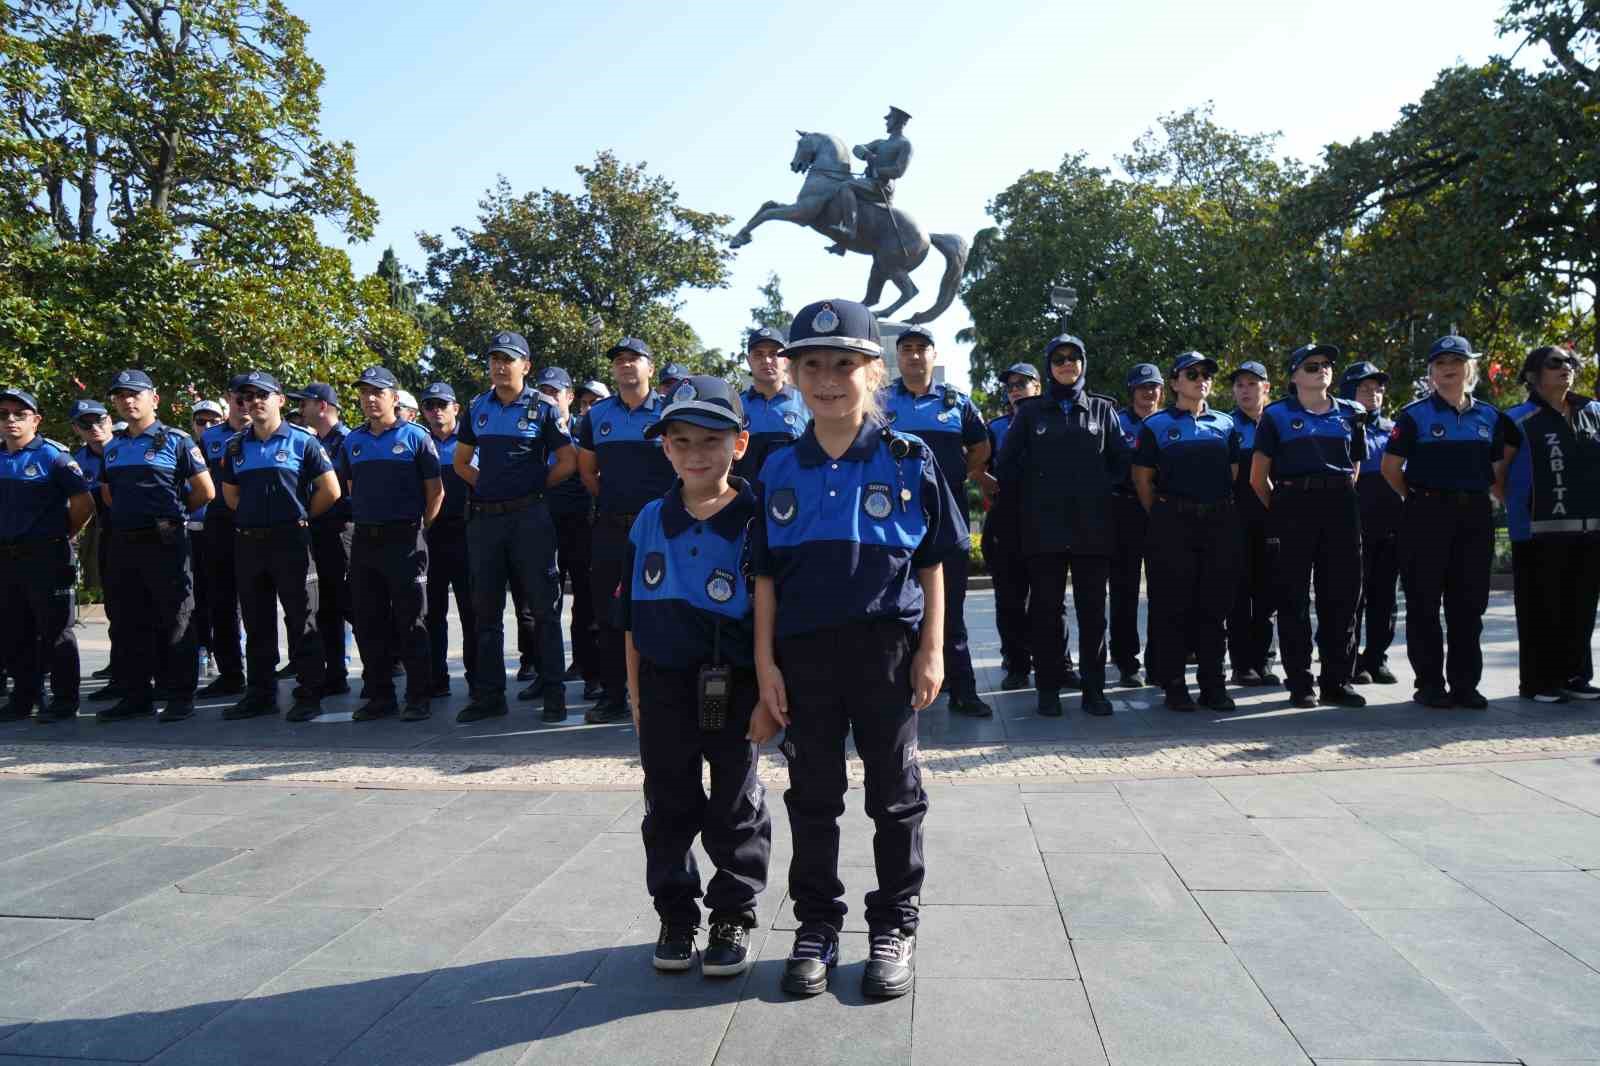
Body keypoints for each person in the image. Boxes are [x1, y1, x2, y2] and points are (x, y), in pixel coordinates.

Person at [749, 298, 963, 999]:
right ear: (792, 373)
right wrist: (764, 666)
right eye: (811, 364)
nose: (827, 378)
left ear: (875, 371)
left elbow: (933, 562)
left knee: (896, 798)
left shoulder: (910, 458)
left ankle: (894, 923)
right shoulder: (778, 468)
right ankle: (816, 924)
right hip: (805, 654)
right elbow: (766, 578)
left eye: (844, 363)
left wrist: (932, 652)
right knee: (813, 796)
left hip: (887, 652)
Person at [619, 375, 772, 977]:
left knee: (736, 802)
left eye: (711, 439)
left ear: (739, 444)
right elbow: (629, 616)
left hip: (734, 683)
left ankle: (732, 912)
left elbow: (771, 612)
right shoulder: (649, 520)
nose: (695, 452)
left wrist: (766, 691)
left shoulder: (759, 516)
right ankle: (676, 912)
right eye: (680, 441)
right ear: (664, 448)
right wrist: (634, 693)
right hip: (663, 685)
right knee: (669, 801)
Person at [994, 334, 1126, 717]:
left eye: (1074, 358)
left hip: (1092, 529)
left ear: (1083, 363)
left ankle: (1094, 691)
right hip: (1044, 530)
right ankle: (1048, 690)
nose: (1067, 365)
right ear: (1049, 366)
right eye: (1059, 359)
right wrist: (1037, 494)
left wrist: (1097, 492)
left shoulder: (1103, 410)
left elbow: (1120, 463)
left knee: (1092, 614)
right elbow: (1006, 466)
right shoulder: (1031, 413)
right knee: (1047, 613)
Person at [1383, 335, 1515, 710]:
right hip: (1425, 513)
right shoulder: (1414, 416)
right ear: (1431, 372)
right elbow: (1391, 468)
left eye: (1456, 361)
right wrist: (1418, 498)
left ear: (1469, 368)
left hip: (1473, 516)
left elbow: (1495, 469)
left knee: (1469, 605)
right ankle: (1429, 685)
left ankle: (1465, 685)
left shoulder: (1489, 416)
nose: (1448, 369)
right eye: (1440, 363)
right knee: (1424, 603)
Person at [452, 332, 575, 724]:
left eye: (509, 359)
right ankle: (489, 696)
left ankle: (554, 693)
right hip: (486, 520)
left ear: (526, 366)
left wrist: (533, 486)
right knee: (485, 611)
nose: (501, 366)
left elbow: (568, 460)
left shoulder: (543, 408)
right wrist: (487, 486)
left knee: (544, 609)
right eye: (495, 359)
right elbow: (461, 462)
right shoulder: (477, 408)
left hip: (530, 519)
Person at [880, 325, 992, 717]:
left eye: (921, 348)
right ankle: (897, 692)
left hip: (946, 520)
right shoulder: (879, 402)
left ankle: (963, 690)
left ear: (933, 355)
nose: (913, 355)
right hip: (892, 525)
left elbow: (980, 447)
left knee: (952, 611)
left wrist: (958, 474)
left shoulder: (956, 402)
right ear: (898, 356)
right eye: (906, 349)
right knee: (893, 610)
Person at [1250, 344, 1368, 709]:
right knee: (1293, 599)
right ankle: (1301, 682)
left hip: (1341, 506)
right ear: (1294, 376)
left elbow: (1356, 466)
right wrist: (1285, 509)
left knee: (1343, 597)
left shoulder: (1352, 414)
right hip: (1293, 505)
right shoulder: (1276, 415)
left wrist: (1337, 495)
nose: (1322, 371)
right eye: (1312, 366)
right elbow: (1258, 478)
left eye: (1327, 365)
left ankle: (1337, 681)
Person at [217, 371, 340, 722]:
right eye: (247, 397)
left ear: (280, 401)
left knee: (302, 620)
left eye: (262, 395)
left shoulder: (303, 441)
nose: (254, 402)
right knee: (257, 623)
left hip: (292, 543)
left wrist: (299, 517)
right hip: (251, 543)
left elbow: (330, 490)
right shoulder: (236, 446)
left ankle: (309, 693)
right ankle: (260, 693)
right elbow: (230, 495)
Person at [98, 368, 214, 723]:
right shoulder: (114, 447)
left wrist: (172, 517)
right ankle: (136, 695)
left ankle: (180, 696)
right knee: (129, 620)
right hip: (125, 540)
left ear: (154, 399)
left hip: (164, 540)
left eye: (135, 394)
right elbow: (107, 492)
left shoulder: (176, 440)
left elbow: (205, 491)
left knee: (176, 617)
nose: (128, 401)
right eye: (121, 396)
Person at [1132, 353, 1241, 712]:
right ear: (1175, 383)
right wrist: (1167, 514)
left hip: (1218, 523)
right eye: (1191, 374)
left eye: (1207, 374)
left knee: (1214, 607)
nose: (1201, 379)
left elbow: (1236, 475)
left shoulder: (1225, 424)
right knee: (1172, 607)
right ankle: (1175, 685)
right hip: (1172, 523)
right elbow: (1143, 480)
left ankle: (1213, 686)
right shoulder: (1156, 425)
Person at [577, 338, 676, 724]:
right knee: (609, 612)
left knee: (664, 607)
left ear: (650, 367)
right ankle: (613, 693)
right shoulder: (598, 416)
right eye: (619, 360)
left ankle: (662, 690)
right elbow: (588, 472)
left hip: (663, 530)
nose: (625, 365)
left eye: (633, 359)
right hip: (612, 528)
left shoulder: (670, 411)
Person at [340, 366, 443, 721]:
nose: (370, 399)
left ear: (394, 399)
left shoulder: (416, 437)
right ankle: (380, 695)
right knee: (369, 621)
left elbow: (435, 491)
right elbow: (351, 488)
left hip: (404, 538)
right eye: (365, 392)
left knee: (411, 619)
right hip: (366, 539)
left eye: (377, 392)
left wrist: (419, 528)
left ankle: (419, 696)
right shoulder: (352, 441)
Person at [1502, 345, 1600, 703]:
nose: (1565, 368)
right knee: (1541, 609)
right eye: (1554, 363)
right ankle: (1538, 682)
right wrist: (1520, 504)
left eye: (1569, 363)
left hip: (1590, 531)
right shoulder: (1516, 419)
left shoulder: (1594, 412)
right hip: (1537, 532)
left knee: (1582, 608)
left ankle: (1576, 676)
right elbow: (1497, 474)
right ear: (1533, 375)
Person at [0, 387, 93, 722]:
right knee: (13, 629)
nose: (10, 420)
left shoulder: (54, 456)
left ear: (35, 420)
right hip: (7, 557)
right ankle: (24, 698)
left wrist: (61, 535)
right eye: (3, 414)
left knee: (55, 630)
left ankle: (65, 701)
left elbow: (84, 505)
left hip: (46, 555)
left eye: (19, 414)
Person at [979, 362, 1055, 691]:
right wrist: (999, 488)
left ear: (1038, 386)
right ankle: (1017, 663)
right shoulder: (996, 427)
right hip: (1007, 518)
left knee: (1049, 598)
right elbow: (978, 466)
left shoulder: (1053, 420)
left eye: (1023, 383)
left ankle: (1057, 661)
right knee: (1009, 599)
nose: (1016, 389)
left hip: (1046, 517)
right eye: (1010, 385)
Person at [522, 366, 595, 697]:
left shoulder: (586, 431)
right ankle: (545, 673)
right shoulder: (532, 434)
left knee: (587, 601)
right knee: (542, 604)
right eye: (543, 392)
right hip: (541, 524)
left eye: (555, 392)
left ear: (568, 397)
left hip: (580, 525)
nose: (548, 398)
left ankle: (590, 669)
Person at [1340, 362, 1402, 686]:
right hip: (1350, 525)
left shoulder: (1394, 429)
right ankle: (1346, 661)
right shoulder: (1338, 425)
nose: (1373, 394)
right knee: (1351, 597)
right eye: (1365, 388)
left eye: (1378, 388)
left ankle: (1376, 657)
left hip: (1389, 525)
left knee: (1385, 597)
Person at [419, 382, 477, 699]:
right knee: (432, 612)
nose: (436, 411)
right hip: (431, 536)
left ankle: (477, 677)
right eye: (430, 406)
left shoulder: (471, 441)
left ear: (456, 408)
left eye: (442, 404)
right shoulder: (420, 441)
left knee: (472, 611)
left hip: (467, 533)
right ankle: (436, 677)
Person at [1225, 361, 1280, 686]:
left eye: (1252, 384)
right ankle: (1242, 664)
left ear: (1266, 387)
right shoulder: (1226, 426)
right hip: (1236, 522)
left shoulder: (1280, 423)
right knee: (1239, 595)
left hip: (1273, 521)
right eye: (1240, 385)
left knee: (1269, 595)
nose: (1246, 390)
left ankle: (1266, 662)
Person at [195, 384, 251, 698]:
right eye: (239, 398)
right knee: (222, 603)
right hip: (219, 526)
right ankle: (231, 673)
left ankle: (262, 674)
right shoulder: (211, 437)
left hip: (255, 525)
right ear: (228, 400)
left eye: (253, 398)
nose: (245, 405)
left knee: (258, 604)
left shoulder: (265, 434)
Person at [298, 383, 354, 698]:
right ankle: (334, 674)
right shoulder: (312, 442)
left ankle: (383, 668)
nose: (300, 409)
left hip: (341, 530)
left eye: (304, 403)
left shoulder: (346, 441)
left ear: (321, 406)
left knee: (351, 603)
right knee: (326, 607)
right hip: (317, 531)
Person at [1110, 363, 1163, 688]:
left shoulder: (1167, 421)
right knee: (1124, 591)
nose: (1148, 393)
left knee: (1164, 589)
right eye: (1142, 387)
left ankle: (1160, 660)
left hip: (1162, 511)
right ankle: (1127, 662)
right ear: (1132, 391)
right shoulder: (1116, 422)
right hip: (1124, 511)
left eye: (1154, 387)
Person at [68, 399, 120, 691]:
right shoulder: (78, 460)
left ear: (110, 420)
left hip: (144, 533)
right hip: (107, 532)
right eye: (86, 424)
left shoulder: (128, 446)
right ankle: (121, 668)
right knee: (116, 605)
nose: (95, 428)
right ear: (77, 429)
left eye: (99, 420)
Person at [734, 327, 809, 482]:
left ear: (786, 360)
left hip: (794, 498)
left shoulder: (808, 403)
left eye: (774, 354)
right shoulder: (735, 405)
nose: (766, 361)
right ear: (749, 361)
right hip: (746, 500)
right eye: (758, 354)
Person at [188, 400, 226, 680]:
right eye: (201, 421)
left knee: (224, 598)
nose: (207, 426)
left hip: (220, 531)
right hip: (191, 532)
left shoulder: (230, 444)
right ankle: (203, 649)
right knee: (195, 597)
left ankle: (226, 655)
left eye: (213, 421)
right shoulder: (183, 450)